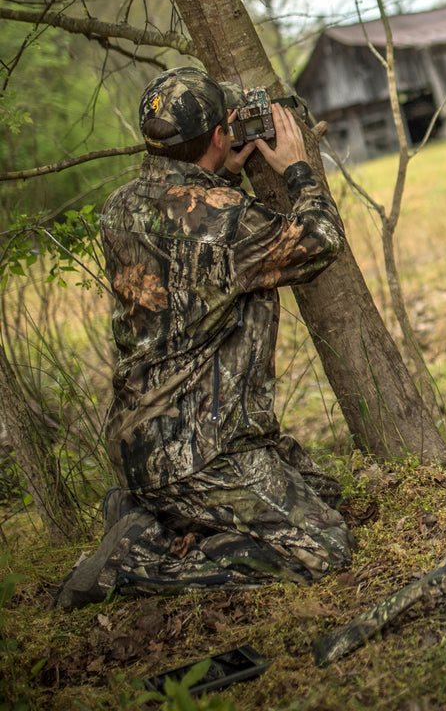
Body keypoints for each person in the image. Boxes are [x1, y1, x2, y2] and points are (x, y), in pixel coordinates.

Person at [55, 66, 353, 610]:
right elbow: (319, 239)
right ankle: (137, 558)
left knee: (329, 496)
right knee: (322, 547)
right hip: (198, 449)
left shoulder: (119, 207)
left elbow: (190, 248)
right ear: (220, 136)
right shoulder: (227, 220)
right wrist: (298, 169)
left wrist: (221, 177)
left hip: (142, 438)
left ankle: (143, 509)